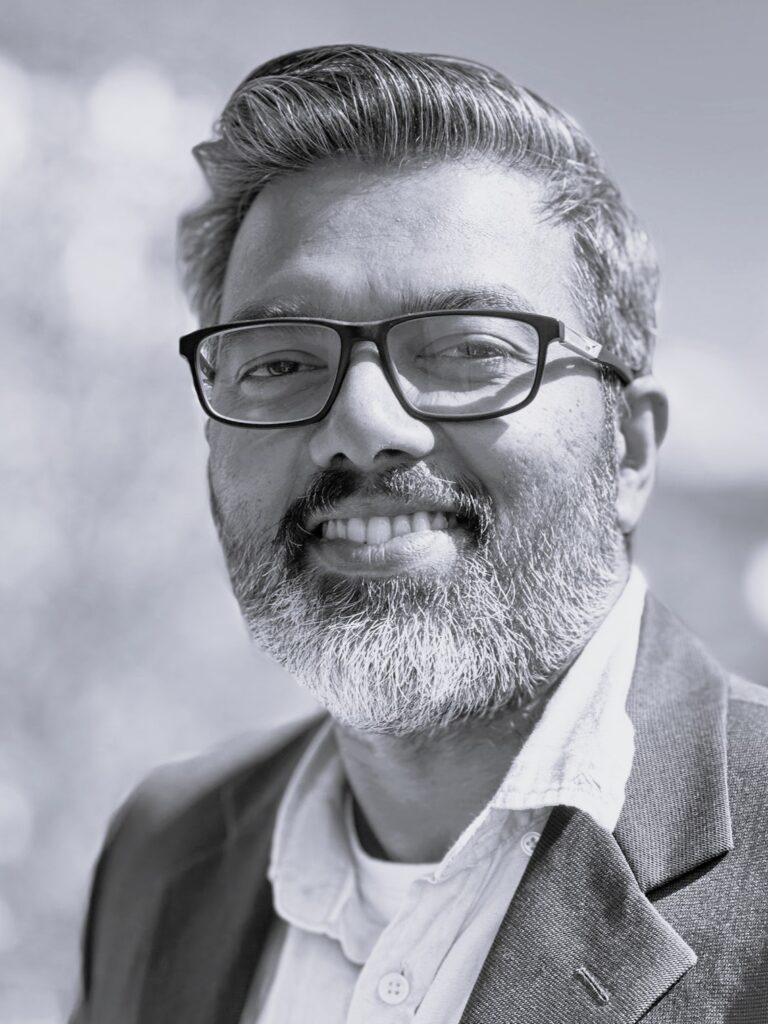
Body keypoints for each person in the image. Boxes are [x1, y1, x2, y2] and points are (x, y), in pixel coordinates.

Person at [70, 44, 768, 1023]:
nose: (362, 424)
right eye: (280, 363)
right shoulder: (160, 851)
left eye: (469, 350)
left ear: (631, 450)